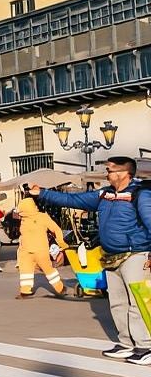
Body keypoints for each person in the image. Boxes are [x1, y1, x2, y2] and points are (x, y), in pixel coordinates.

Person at [33, 156, 151, 364]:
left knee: (139, 302)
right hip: (111, 255)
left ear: (124, 173)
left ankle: (145, 345)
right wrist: (42, 193)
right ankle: (126, 343)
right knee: (117, 302)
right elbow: (74, 200)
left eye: (110, 170)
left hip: (136, 254)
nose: (107, 174)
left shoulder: (140, 194)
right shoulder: (104, 194)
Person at [12, 198, 69, 299]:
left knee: (48, 270)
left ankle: (60, 288)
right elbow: (56, 229)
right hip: (27, 251)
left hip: (39, 250)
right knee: (25, 271)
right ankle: (25, 291)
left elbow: (55, 229)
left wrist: (61, 242)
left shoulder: (41, 217)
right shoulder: (24, 218)